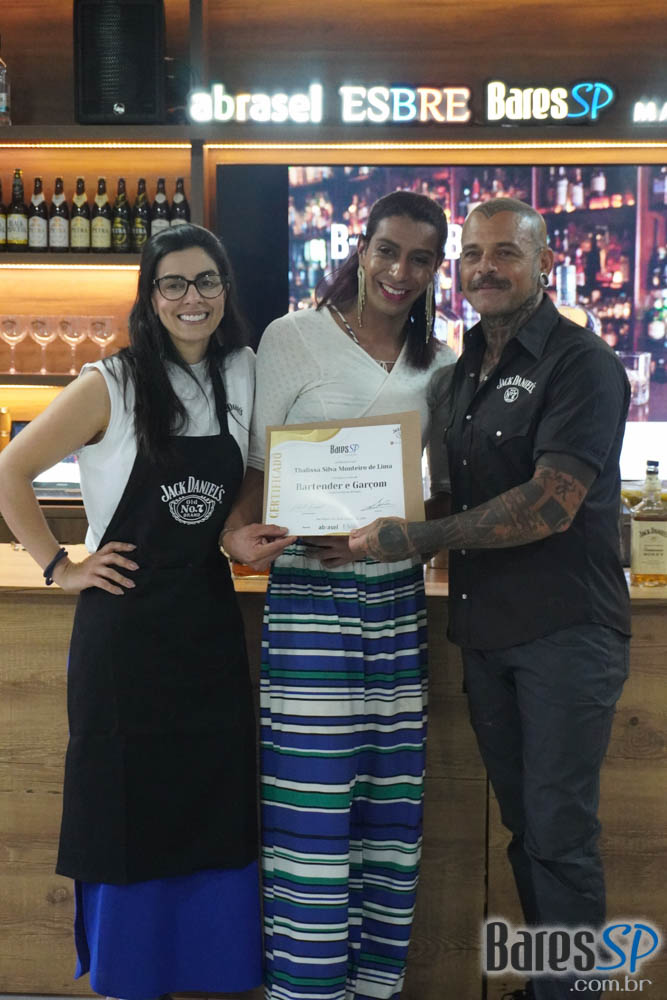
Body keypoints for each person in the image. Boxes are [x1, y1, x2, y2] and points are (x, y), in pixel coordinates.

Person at [0, 223, 292, 1000]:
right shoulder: (112, 382)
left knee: (211, 799)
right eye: (174, 283)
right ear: (150, 297)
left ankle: (213, 970)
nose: (192, 298)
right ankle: (132, 976)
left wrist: (234, 533)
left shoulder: (244, 370)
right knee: (125, 803)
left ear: (225, 290)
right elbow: (10, 470)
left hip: (205, 621)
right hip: (123, 632)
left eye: (206, 281)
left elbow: (243, 477)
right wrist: (60, 566)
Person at [348, 197, 631, 1000]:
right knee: (526, 829)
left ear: (544, 263)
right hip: (486, 635)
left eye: (505, 252)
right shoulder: (461, 366)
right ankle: (550, 986)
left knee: (558, 835)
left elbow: (550, 504)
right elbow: (448, 493)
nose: (485, 268)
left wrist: (412, 538)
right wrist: (337, 516)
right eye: (471, 254)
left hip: (565, 634)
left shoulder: (580, 363)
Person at [222, 190, 457, 1000]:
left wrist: (407, 536)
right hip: (310, 598)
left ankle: (373, 985)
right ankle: (307, 985)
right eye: (387, 250)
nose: (400, 271)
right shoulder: (292, 337)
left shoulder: (439, 364)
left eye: (420, 259)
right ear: (361, 249)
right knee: (313, 808)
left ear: (434, 270)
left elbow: (440, 493)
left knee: (389, 807)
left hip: (395, 601)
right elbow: (255, 469)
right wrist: (238, 533)